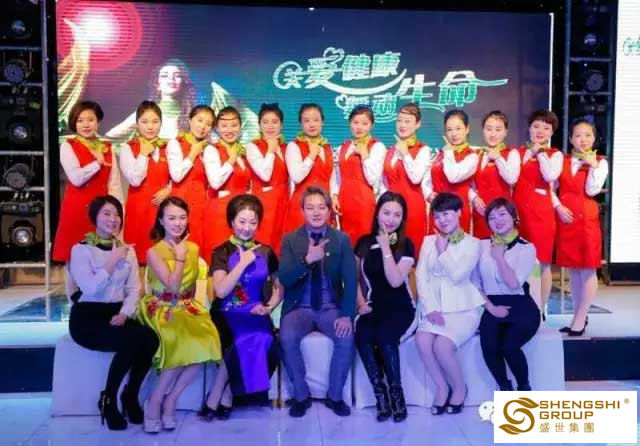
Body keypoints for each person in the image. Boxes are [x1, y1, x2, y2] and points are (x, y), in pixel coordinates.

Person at [67, 195, 158, 430]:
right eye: (106, 213)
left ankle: (130, 395)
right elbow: (89, 288)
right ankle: (108, 399)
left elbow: (134, 289)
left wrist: (125, 313)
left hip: (116, 313)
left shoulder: (127, 251)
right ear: (95, 217)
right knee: (131, 340)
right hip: (87, 318)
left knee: (150, 338)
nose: (113, 219)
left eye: (117, 214)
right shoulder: (81, 250)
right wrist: (110, 262)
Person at [137, 197, 222, 433]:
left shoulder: (193, 248)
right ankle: (155, 401)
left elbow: (189, 286)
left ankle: (171, 399)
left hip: (185, 305)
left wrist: (191, 304)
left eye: (182, 218)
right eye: (172, 218)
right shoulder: (154, 251)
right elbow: (172, 287)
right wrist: (180, 257)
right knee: (179, 339)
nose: (178, 223)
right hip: (161, 306)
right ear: (161, 221)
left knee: (205, 340)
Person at [199, 194, 281, 421]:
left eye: (252, 222)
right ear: (232, 221)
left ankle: (223, 393)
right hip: (226, 311)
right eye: (242, 221)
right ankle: (221, 394)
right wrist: (243, 263)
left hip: (255, 311)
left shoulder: (266, 251)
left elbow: (279, 287)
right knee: (240, 338)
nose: (247, 228)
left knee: (265, 338)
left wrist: (269, 307)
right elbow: (221, 290)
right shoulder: (221, 251)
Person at [278, 186, 356, 418]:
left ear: (329, 211)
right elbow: (285, 278)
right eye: (310, 207)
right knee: (286, 337)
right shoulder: (290, 239)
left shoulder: (341, 239)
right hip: (298, 307)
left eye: (321, 207)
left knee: (346, 336)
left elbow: (351, 281)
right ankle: (301, 396)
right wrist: (307, 260)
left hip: (330, 307)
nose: (316, 212)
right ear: (302, 211)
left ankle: (334, 396)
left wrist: (347, 315)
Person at [414, 192, 484, 415]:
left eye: (446, 214)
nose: (441, 220)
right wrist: (430, 308)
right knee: (422, 340)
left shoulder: (474, 244)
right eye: (437, 216)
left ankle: (460, 388)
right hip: (434, 308)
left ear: (459, 213)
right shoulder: (428, 241)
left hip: (464, 309)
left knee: (442, 346)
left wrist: (444, 251)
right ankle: (442, 387)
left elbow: (458, 276)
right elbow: (421, 277)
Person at [354, 191, 415, 422]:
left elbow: (396, 280)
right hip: (374, 305)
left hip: (401, 307)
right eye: (386, 213)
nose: (390, 219)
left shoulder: (406, 245)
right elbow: (353, 279)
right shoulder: (363, 243)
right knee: (363, 333)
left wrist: (386, 248)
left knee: (386, 335)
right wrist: (361, 303)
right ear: (377, 213)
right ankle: (380, 396)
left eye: (397, 215)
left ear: (402, 218)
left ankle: (397, 396)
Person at [474, 198, 539, 391]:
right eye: (492, 217)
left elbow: (513, 284)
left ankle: (524, 388)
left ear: (514, 217)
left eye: (502, 214)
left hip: (521, 306)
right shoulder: (481, 245)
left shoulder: (526, 248)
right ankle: (505, 388)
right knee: (489, 346)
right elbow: (475, 283)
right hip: (492, 304)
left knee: (509, 346)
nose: (497, 220)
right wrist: (490, 307)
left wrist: (499, 258)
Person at [554, 118, 609, 336]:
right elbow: (551, 187)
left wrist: (593, 165)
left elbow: (592, 190)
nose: (583, 140)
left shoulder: (601, 162)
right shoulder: (562, 161)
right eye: (577, 135)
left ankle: (580, 317)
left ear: (594, 138)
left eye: (587, 135)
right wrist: (558, 207)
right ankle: (579, 315)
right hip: (566, 219)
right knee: (574, 270)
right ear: (570, 139)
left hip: (586, 220)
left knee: (587, 268)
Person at [53, 101, 123, 262]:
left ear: (98, 122)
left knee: (102, 259)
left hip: (101, 214)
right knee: (74, 258)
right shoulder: (68, 146)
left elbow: (114, 185)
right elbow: (76, 178)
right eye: (80, 120)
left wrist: (117, 214)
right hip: (77, 211)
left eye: (90, 120)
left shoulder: (107, 148)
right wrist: (97, 164)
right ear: (74, 123)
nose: (86, 125)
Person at [513, 110, 563, 319]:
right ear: (529, 128)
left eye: (546, 128)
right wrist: (530, 153)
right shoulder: (518, 152)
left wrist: (540, 153)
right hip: (519, 212)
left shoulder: (555, 154)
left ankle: (540, 308)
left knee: (541, 262)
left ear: (552, 132)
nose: (540, 131)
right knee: (520, 261)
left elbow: (550, 176)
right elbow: (511, 177)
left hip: (542, 214)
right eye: (536, 126)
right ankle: (523, 306)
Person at [119, 100, 171, 264]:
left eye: (155, 122)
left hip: (163, 209)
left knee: (163, 258)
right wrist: (143, 154)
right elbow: (134, 180)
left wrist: (169, 189)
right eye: (145, 122)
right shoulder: (128, 148)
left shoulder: (168, 147)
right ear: (137, 123)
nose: (150, 127)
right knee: (137, 258)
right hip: (139, 208)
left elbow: (176, 177)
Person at [331, 105, 385, 246]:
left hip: (363, 202)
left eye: (364, 123)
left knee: (363, 241)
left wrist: (365, 155)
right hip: (344, 201)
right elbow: (338, 175)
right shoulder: (343, 146)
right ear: (350, 123)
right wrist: (335, 195)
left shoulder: (377, 146)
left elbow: (373, 179)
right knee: (345, 240)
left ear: (372, 125)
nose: (359, 127)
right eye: (355, 122)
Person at [202, 106, 252, 258]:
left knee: (240, 259)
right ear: (217, 128)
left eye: (234, 125)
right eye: (224, 126)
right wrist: (231, 160)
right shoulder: (212, 150)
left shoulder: (242, 152)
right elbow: (215, 182)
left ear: (240, 127)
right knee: (220, 259)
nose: (229, 130)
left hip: (241, 214)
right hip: (220, 212)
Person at [106, 59, 196, 141]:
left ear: (183, 84)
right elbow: (111, 136)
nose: (171, 79)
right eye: (165, 75)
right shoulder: (146, 110)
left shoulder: (191, 113)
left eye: (177, 75)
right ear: (157, 84)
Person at [166, 105, 216, 254]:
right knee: (180, 250)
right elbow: (176, 175)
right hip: (180, 205)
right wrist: (193, 154)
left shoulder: (209, 149)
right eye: (199, 120)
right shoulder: (176, 143)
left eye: (208, 124)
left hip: (202, 206)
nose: (203, 127)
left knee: (199, 249)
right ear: (189, 120)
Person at [382, 103, 432, 253]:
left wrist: (405, 154)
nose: (402, 125)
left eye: (407, 121)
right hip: (391, 209)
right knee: (390, 252)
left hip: (412, 208)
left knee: (411, 252)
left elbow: (416, 178)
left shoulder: (423, 149)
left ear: (417, 124)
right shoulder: (391, 149)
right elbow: (384, 181)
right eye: (399, 120)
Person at [423, 109, 479, 235]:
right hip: (438, 211)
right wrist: (429, 194)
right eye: (449, 129)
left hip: (457, 211)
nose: (454, 134)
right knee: (436, 244)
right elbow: (427, 179)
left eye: (458, 128)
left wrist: (448, 152)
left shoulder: (472, 156)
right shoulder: (440, 154)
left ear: (467, 129)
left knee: (457, 245)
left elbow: (453, 176)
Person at [245, 103, 289, 255]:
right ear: (259, 124)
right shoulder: (253, 147)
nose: (270, 126)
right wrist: (270, 149)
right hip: (264, 204)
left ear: (281, 125)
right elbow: (265, 174)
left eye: (275, 122)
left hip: (284, 203)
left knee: (282, 246)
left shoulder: (286, 147)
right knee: (263, 245)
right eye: (265, 122)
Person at [284, 104, 334, 232]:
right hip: (302, 206)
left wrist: (334, 196)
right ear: (301, 124)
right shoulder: (294, 146)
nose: (312, 124)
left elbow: (332, 177)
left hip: (323, 206)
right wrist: (311, 156)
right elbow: (296, 177)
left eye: (316, 120)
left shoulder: (327, 146)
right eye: (306, 121)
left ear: (322, 122)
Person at [470, 111, 520, 239]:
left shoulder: (511, 153)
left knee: (502, 247)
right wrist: (474, 198)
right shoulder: (477, 155)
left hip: (503, 214)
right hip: (481, 213)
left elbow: (512, 179)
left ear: (505, 132)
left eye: (498, 130)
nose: (493, 134)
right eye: (489, 129)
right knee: (482, 247)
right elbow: (470, 184)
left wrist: (498, 158)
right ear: (483, 130)